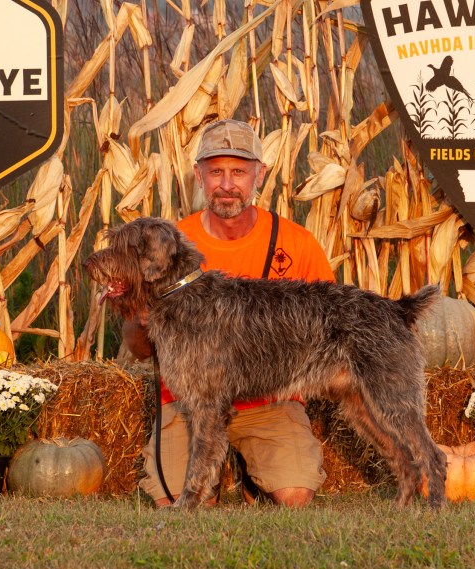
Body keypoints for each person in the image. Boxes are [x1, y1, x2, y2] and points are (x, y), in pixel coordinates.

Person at [122, 118, 335, 508]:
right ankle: (215, 476)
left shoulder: (297, 243)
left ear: (260, 175)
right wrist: (141, 318)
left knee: (295, 496)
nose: (226, 184)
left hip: (270, 402)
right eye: (215, 171)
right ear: (198, 175)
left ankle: (250, 473)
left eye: (238, 171)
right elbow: (138, 350)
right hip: (189, 405)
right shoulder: (167, 243)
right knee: (178, 504)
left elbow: (332, 332)